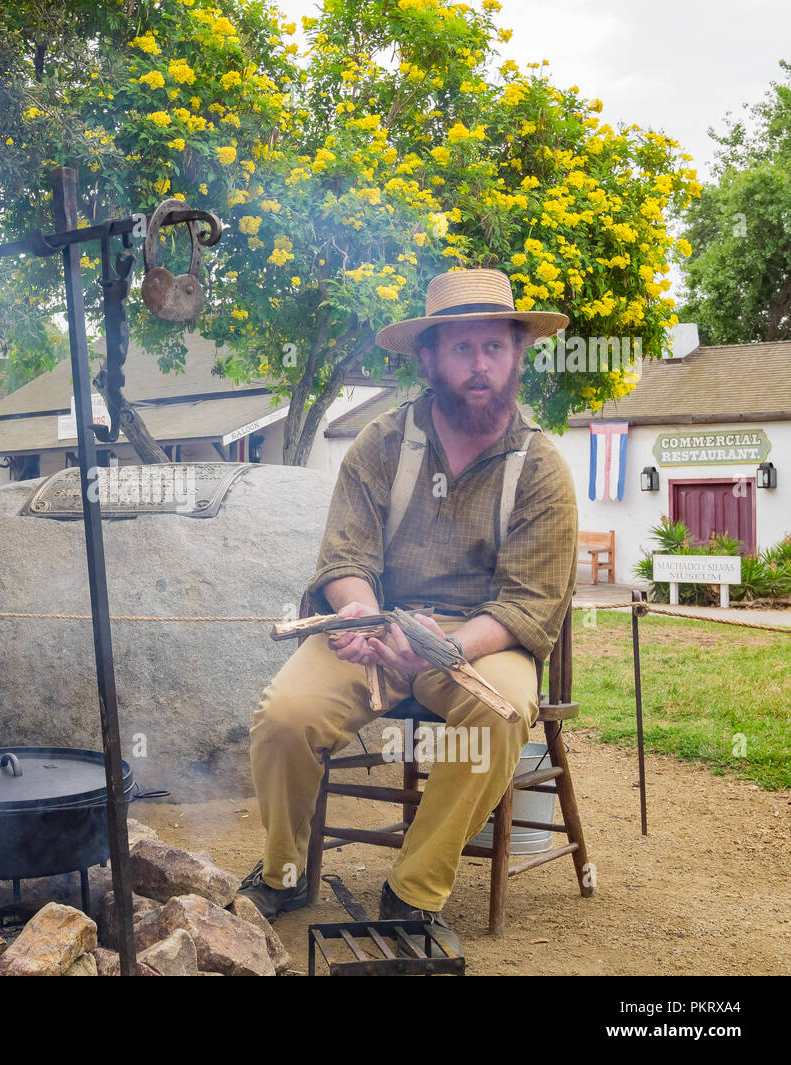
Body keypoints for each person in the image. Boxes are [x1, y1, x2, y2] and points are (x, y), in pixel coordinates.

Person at [235, 269, 579, 953]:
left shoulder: (541, 468)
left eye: (494, 348)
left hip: (480, 639)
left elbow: (527, 604)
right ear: (427, 357)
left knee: (503, 711)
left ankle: (412, 891)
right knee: (284, 714)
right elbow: (343, 559)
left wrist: (437, 648)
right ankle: (280, 870)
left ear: (516, 354)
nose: (480, 366)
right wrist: (363, 619)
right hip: (376, 624)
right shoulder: (380, 445)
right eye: (462, 349)